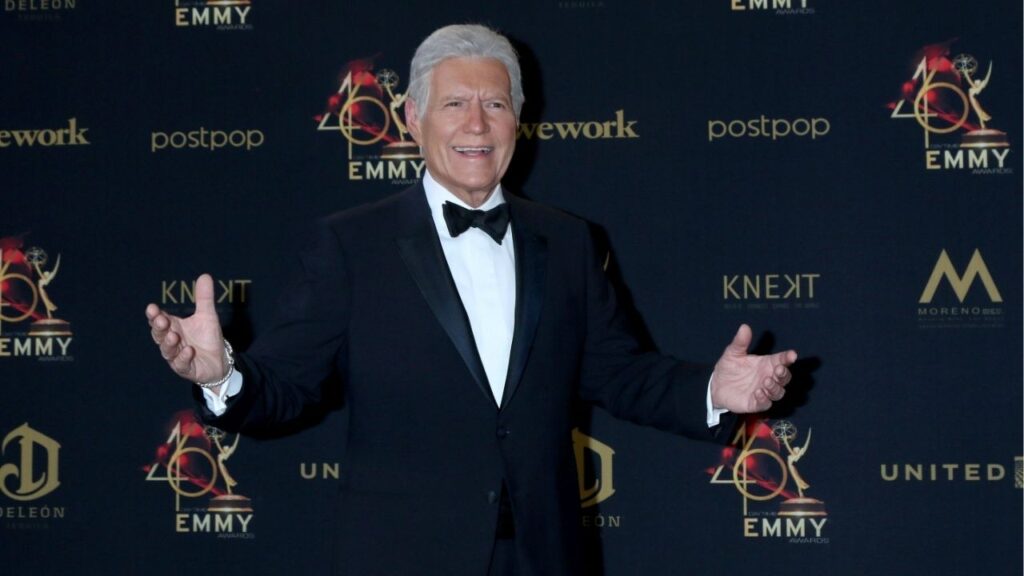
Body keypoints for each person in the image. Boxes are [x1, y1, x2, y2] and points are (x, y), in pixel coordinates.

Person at [146, 24, 796, 576]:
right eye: (455, 103)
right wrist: (221, 376)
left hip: (543, 555)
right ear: (412, 118)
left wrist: (712, 390)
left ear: (519, 119)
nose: (477, 124)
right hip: (403, 558)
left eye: (495, 104)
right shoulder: (351, 244)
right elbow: (286, 385)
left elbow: (621, 372)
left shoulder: (568, 241)